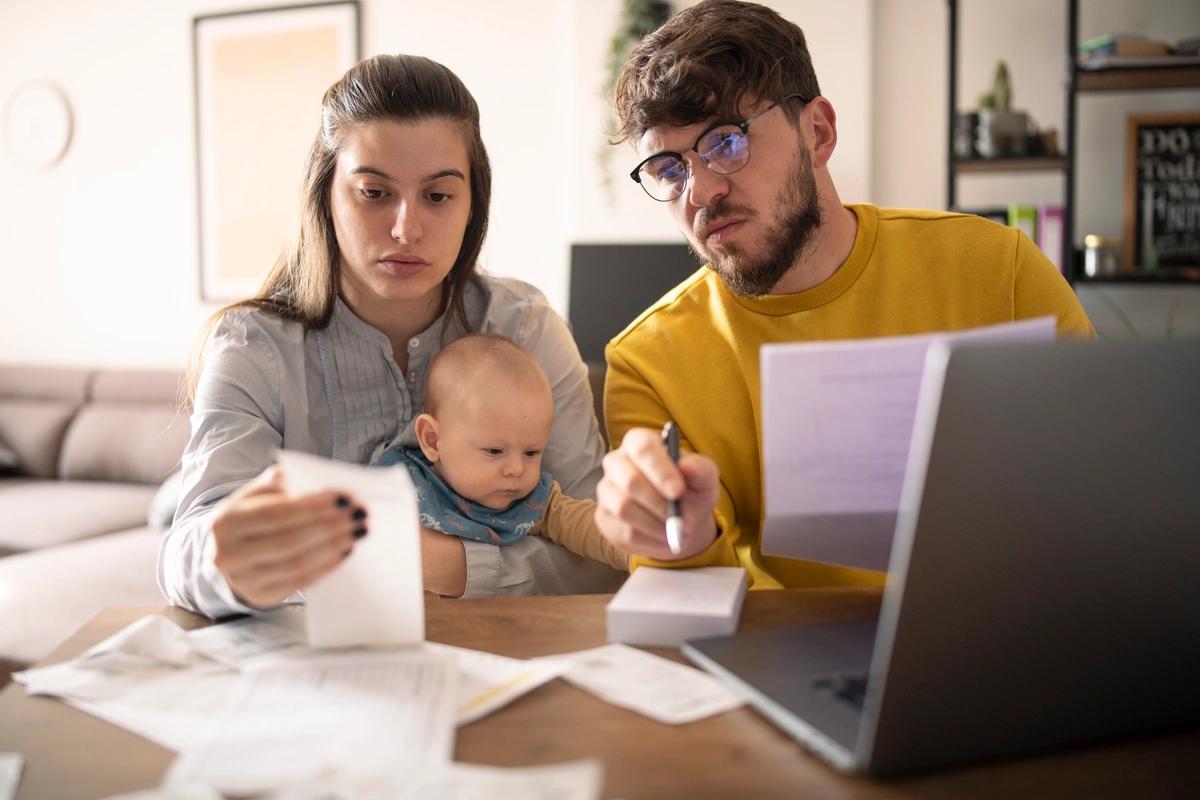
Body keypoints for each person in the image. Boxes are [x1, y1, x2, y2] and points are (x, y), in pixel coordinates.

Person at [592, 0, 1095, 590]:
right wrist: (686, 537)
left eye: (726, 142)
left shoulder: (999, 271)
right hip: (788, 654)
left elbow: (1102, 490)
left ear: (819, 132)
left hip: (1012, 631)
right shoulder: (649, 364)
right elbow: (683, 592)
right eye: (669, 170)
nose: (699, 191)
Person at [159, 54, 619, 619]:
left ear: (474, 205)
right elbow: (184, 557)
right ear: (325, 197)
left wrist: (434, 564)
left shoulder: (525, 326)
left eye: (438, 195)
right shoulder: (253, 346)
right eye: (374, 193)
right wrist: (228, 560)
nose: (406, 229)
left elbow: (600, 555)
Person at [378, 333, 628, 572]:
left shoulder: (535, 503)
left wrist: (641, 549)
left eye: (531, 453)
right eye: (495, 451)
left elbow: (589, 527)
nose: (516, 469)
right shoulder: (397, 487)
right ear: (432, 440)